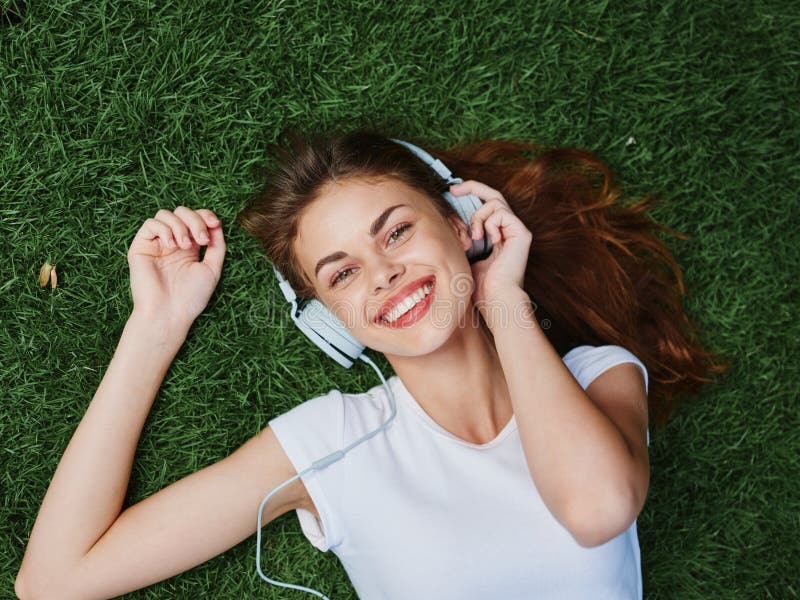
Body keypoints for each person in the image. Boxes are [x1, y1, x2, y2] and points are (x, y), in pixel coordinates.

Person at [15, 129, 728, 599]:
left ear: (462, 226)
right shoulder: (331, 445)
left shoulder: (598, 377)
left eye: (396, 231)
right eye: (342, 274)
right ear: (331, 322)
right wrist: (155, 326)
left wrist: (502, 294)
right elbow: (51, 582)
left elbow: (597, 508)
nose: (383, 274)